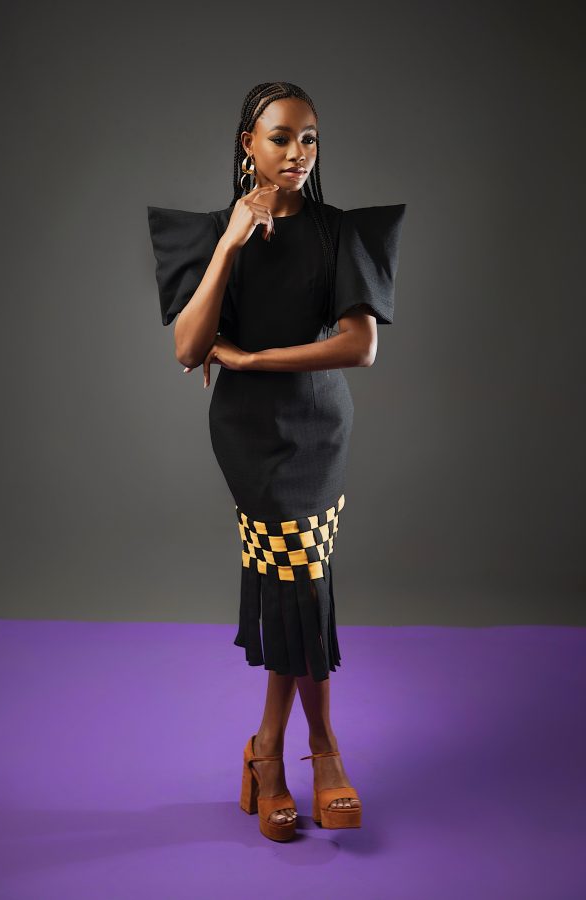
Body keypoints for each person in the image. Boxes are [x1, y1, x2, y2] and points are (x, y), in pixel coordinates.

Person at [147, 81, 406, 842]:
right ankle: (314, 750)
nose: (298, 152)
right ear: (248, 145)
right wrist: (231, 240)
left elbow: (359, 346)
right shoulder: (211, 235)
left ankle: (274, 751)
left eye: (309, 138)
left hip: (319, 430)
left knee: (298, 582)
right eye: (281, 137)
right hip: (249, 438)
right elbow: (188, 347)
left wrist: (254, 359)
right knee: (300, 581)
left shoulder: (338, 232)